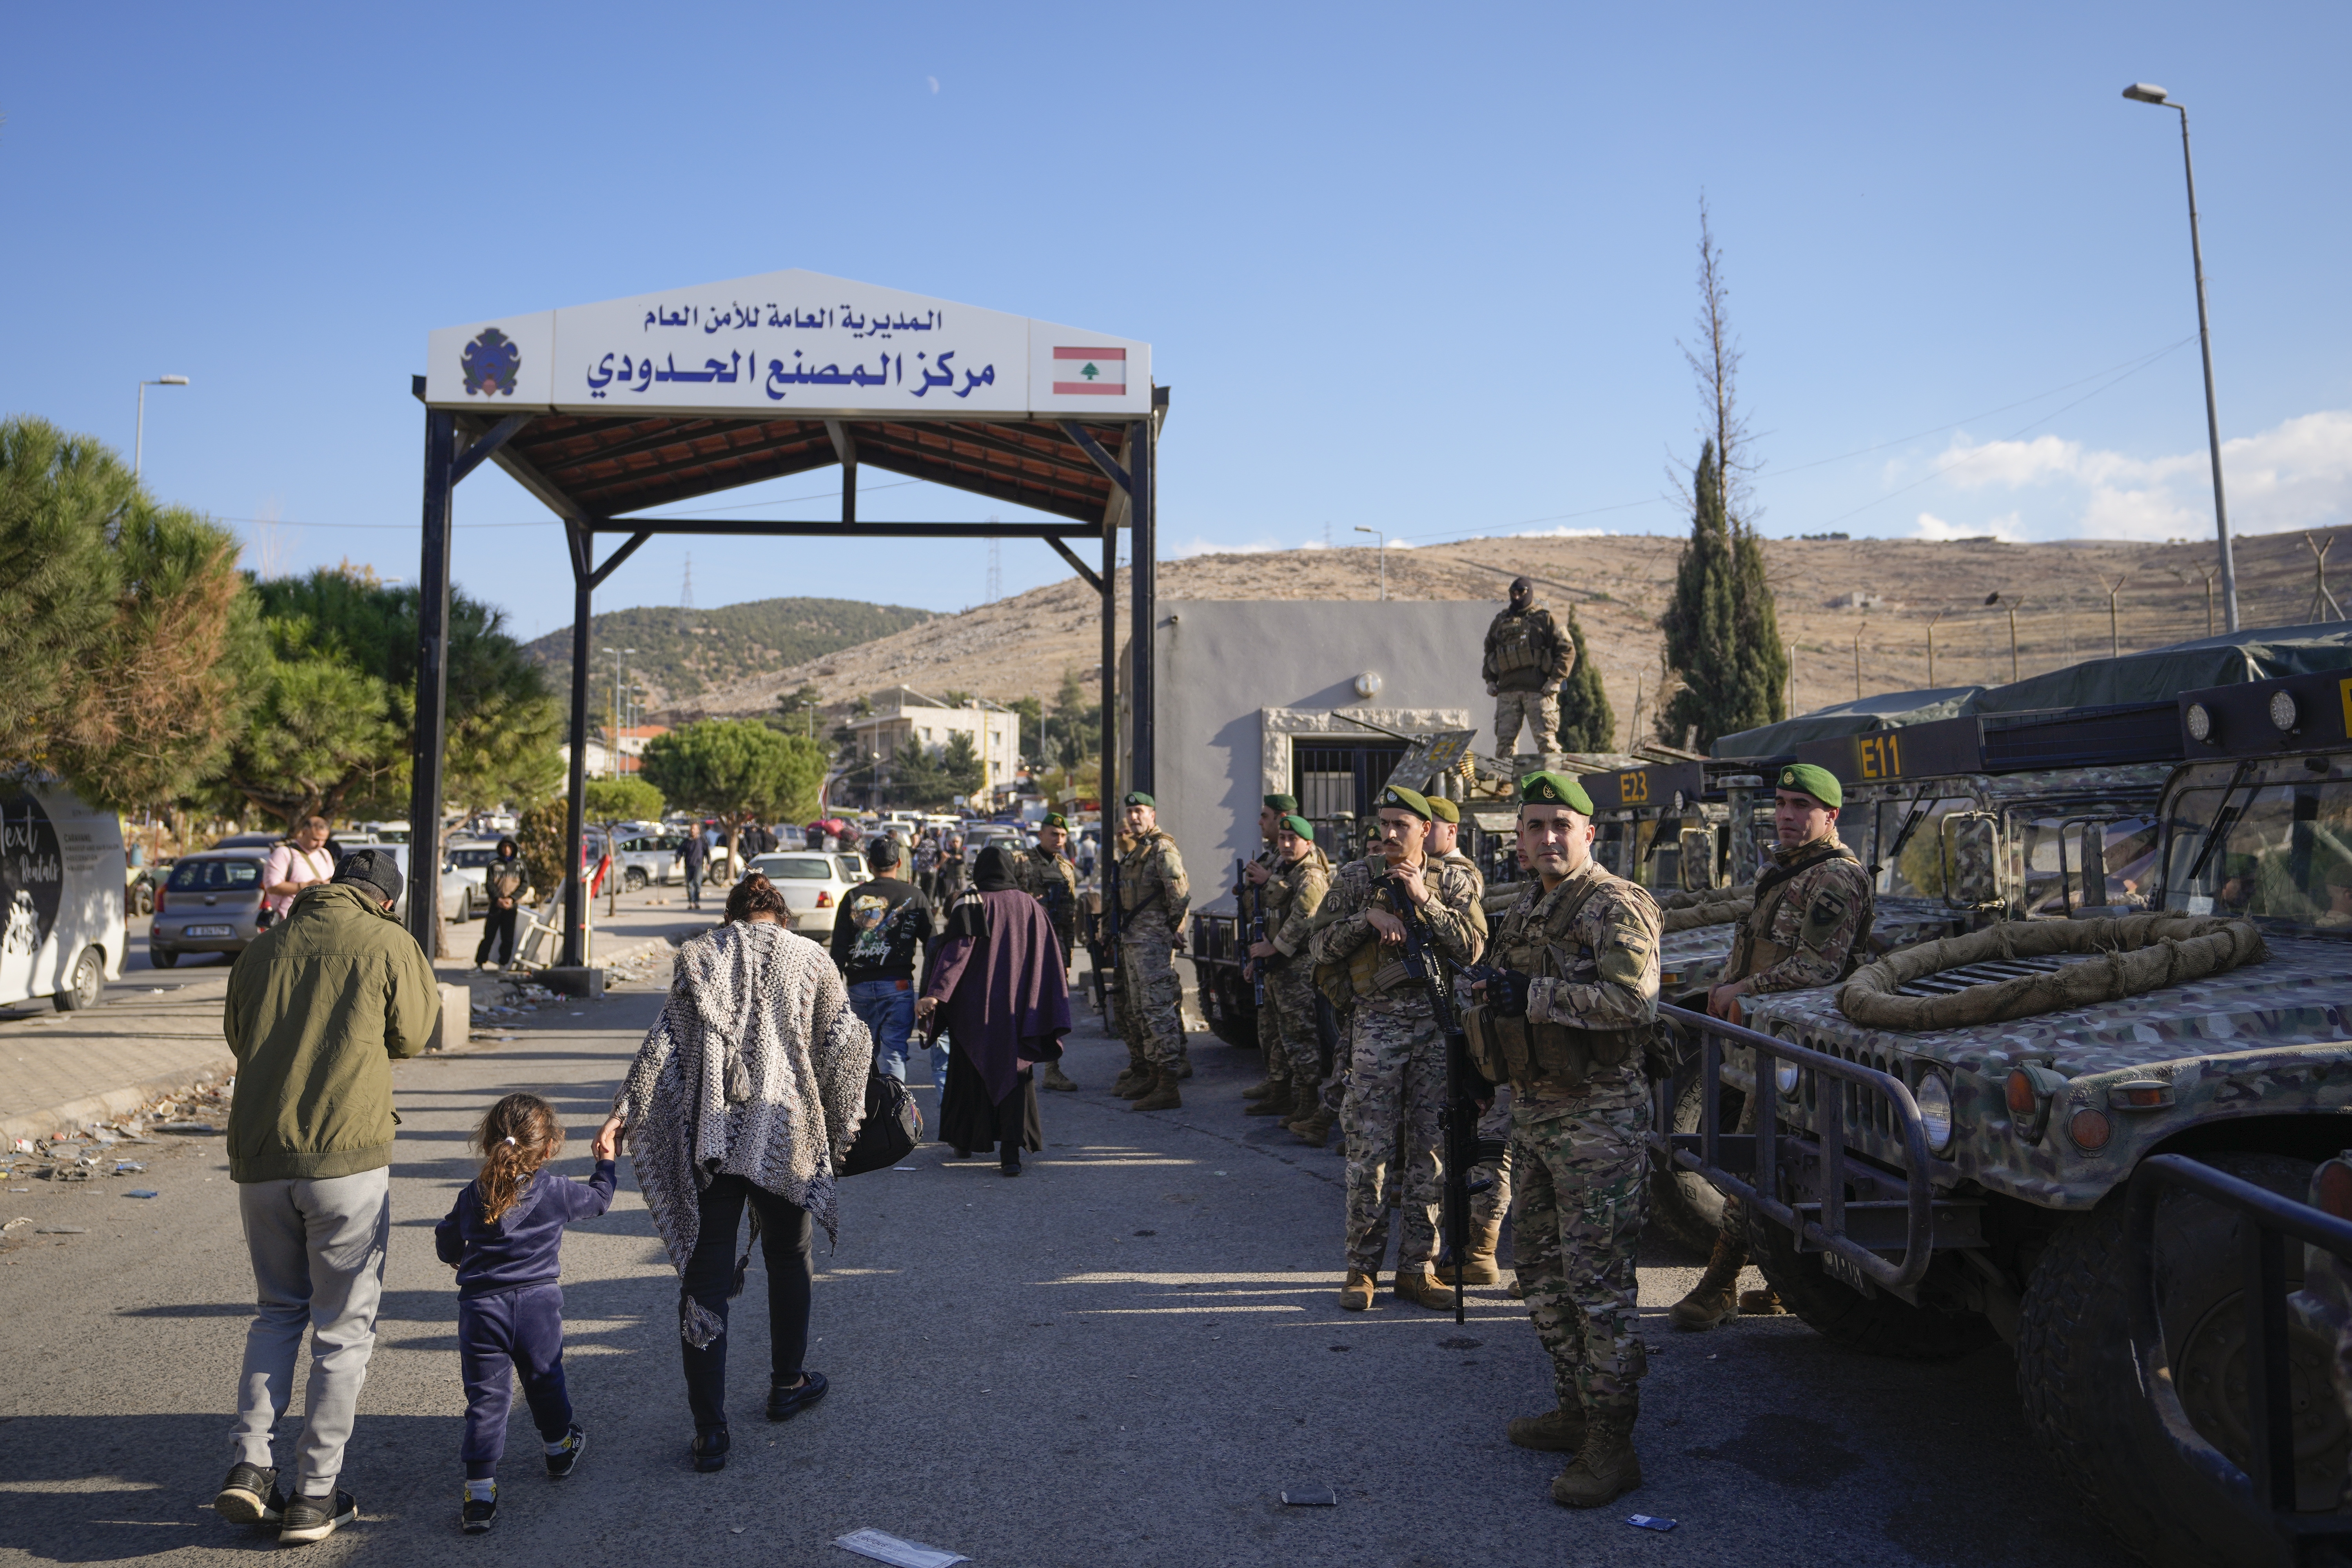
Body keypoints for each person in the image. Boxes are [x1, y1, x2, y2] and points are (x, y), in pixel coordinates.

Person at [593, 874, 869, 1473]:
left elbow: (664, 1045)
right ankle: (788, 1384)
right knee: (789, 1257)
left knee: (707, 1276)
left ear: (731, 917)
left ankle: (710, 1432)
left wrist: (624, 1112)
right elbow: (847, 1044)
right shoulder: (811, 958)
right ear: (782, 918)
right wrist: (837, 1120)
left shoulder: (700, 957)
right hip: (784, 1133)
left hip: (713, 1139)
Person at [213, 848, 439, 1544]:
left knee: (277, 1312)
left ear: (332, 884)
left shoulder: (263, 948)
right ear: (386, 901)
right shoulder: (388, 942)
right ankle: (315, 1495)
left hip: (262, 1157)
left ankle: (251, 1465)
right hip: (346, 1160)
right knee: (343, 1329)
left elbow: (238, 1037)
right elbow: (414, 1034)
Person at [1472, 770, 1662, 1508]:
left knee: (1598, 1285)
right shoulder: (1528, 906)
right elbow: (1505, 993)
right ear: (1520, 839)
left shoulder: (1617, 904)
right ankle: (1576, 1409)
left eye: (1562, 825)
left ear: (1590, 833)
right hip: (1537, 1112)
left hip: (1598, 1122)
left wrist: (1534, 995)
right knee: (1542, 1271)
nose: (1548, 838)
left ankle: (1614, 1444)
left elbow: (1634, 1002)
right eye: (1535, 826)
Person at [1668, 761, 1875, 1331]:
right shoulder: (1786, 869)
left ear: (1831, 816)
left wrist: (1742, 989)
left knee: (1758, 1156)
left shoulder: (1835, 878)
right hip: (1767, 1036)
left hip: (1803, 1046)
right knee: (1772, 1159)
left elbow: (1818, 967)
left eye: (1801, 806)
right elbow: (1757, 943)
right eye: (1782, 804)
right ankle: (1781, 1282)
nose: (1786, 815)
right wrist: (1729, 984)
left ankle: (1719, 1285)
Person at [1308, 785, 1486, 1314]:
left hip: (1436, 1029)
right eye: (1383, 823)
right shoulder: (1356, 878)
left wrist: (1426, 901)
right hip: (1376, 1029)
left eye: (1400, 825)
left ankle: (1417, 1269)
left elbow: (1475, 949)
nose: (1388, 834)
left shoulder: (1452, 881)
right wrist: (1366, 919)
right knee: (1370, 1154)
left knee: (1430, 1154)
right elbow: (1317, 946)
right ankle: (1361, 1269)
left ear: (1425, 830)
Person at [433, 1093, 614, 1534]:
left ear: (489, 1142)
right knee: (544, 1378)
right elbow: (600, 1199)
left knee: (486, 1399)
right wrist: (606, 1162)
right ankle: (558, 1448)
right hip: (537, 1306)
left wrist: (459, 1254)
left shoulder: (474, 1194)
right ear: (549, 1147)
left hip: (481, 1310)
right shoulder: (556, 1191)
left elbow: (446, 1242)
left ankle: (479, 1494)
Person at [920, 846, 1073, 1176]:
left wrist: (937, 994)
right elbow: (1049, 956)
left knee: (968, 1075)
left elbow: (957, 953)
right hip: (1019, 1012)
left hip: (974, 1011)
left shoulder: (972, 901)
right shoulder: (1031, 906)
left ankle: (963, 1142)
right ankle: (1011, 1155)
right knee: (1016, 1076)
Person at [829, 837, 942, 1095]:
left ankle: (862, 1111)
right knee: (894, 1054)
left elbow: (838, 949)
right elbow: (934, 946)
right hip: (898, 985)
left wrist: (834, 992)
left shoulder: (853, 897)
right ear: (899, 863)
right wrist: (930, 990)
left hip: (859, 987)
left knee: (862, 1055)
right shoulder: (914, 896)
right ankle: (895, 1110)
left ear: (870, 864)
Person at [1109, 793, 1192, 1111]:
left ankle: (1169, 1085)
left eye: (1139, 811)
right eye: (1130, 812)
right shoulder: (1138, 850)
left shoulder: (1162, 848)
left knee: (1158, 1011)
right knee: (1142, 1011)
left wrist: (1170, 929)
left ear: (1152, 815)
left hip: (1153, 943)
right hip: (1134, 941)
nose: (1134, 817)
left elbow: (1179, 894)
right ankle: (1154, 1075)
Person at [1250, 812, 1330, 1124]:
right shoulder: (1284, 870)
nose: (1285, 844)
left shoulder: (1310, 876)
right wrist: (1258, 957)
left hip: (1296, 965)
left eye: (1292, 839)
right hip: (1276, 965)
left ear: (1308, 843)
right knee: (1275, 1032)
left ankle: (1308, 1101)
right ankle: (1281, 1093)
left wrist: (1273, 948)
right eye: (1282, 838)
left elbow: (1304, 919)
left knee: (1299, 1033)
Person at [1018, 813, 1084, 1092]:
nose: (1059, 840)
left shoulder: (1066, 868)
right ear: (1041, 834)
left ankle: (1052, 1070)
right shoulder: (1021, 862)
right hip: (1025, 946)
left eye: (1063, 836)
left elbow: (1070, 917)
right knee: (1020, 1006)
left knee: (1052, 1008)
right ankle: (1018, 1067)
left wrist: (1068, 957)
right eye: (1054, 834)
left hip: (1055, 946)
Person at [1238, 794, 1293, 1114]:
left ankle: (1290, 1093)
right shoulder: (1271, 856)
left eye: (1265, 816)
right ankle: (1275, 1082)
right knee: (1268, 1029)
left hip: (1288, 958)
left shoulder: (1302, 854)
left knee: (1292, 1032)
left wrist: (1268, 879)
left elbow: (1304, 903)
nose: (1260, 822)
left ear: (1282, 817)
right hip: (1268, 954)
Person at [1483, 576, 1573, 764]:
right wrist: (1490, 681)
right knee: (1505, 747)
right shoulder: (1500, 621)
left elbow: (1567, 649)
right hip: (1507, 691)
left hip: (1538, 691)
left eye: (1521, 592)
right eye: (1513, 593)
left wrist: (1556, 680)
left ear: (1530, 592)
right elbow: (1490, 652)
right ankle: (1506, 781)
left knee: (1546, 743)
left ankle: (1556, 780)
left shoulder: (1545, 619)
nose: (1517, 597)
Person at [260, 815, 338, 924]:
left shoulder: (324, 854)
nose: (319, 844)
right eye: (315, 840)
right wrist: (306, 886)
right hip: (290, 921)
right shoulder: (284, 853)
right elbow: (272, 887)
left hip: (319, 920)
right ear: (304, 833)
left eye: (323, 840)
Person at [476, 837, 526, 971]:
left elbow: (525, 885)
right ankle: (480, 964)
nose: (507, 850)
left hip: (511, 907)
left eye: (510, 847)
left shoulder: (519, 866)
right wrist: (498, 899)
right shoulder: (494, 865)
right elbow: (489, 884)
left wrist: (512, 899)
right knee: (489, 936)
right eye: (504, 847)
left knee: (508, 938)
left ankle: (504, 964)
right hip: (496, 906)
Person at [678, 826, 708, 912]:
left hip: (698, 865)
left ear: (698, 830)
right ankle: (691, 902)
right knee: (689, 884)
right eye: (691, 829)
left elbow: (707, 852)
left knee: (697, 883)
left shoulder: (702, 841)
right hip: (689, 865)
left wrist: (709, 863)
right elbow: (680, 851)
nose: (693, 831)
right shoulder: (687, 841)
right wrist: (678, 861)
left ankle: (697, 902)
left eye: (695, 829)